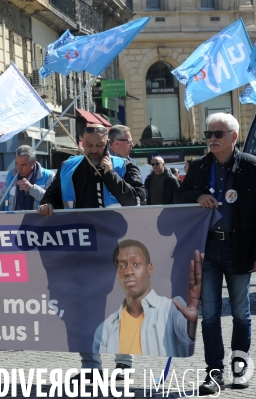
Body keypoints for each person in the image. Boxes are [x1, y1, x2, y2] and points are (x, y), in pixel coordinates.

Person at [38, 124, 147, 378]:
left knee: (121, 307)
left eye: (100, 145)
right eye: (90, 145)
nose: (95, 150)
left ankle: (123, 363)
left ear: (108, 142)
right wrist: (46, 205)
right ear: (81, 143)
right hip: (80, 251)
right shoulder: (68, 167)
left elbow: (138, 200)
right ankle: (91, 366)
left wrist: (110, 175)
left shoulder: (123, 166)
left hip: (119, 250)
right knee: (83, 309)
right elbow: (51, 197)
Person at [175, 113, 255, 394]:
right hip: (206, 248)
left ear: (234, 137)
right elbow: (178, 197)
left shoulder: (250, 166)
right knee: (209, 314)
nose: (211, 139)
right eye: (209, 134)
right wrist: (196, 196)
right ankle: (214, 373)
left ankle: (240, 368)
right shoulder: (197, 166)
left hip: (239, 247)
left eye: (218, 134)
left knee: (241, 313)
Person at [94, 240, 200, 357]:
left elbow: (187, 334)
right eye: (121, 266)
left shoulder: (172, 308)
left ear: (150, 269)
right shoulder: (105, 329)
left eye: (136, 264)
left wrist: (193, 323)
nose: (128, 272)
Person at [0, 145, 54, 211]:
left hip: (38, 220)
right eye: (17, 164)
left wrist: (31, 188)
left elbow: (53, 201)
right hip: (14, 220)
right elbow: (2, 202)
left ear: (33, 163)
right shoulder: (11, 176)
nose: (19, 168)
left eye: (23, 165)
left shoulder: (48, 176)